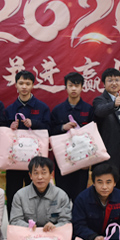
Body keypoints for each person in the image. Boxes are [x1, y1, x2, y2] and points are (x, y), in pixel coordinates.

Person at [4, 70, 51, 215]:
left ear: (32, 85)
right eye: (21, 83)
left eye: (27, 83)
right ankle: (14, 222)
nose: (24, 86)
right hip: (14, 162)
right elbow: (2, 133)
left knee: (36, 193)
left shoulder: (42, 107)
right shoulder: (10, 109)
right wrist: (10, 127)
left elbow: (49, 129)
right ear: (16, 85)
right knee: (13, 192)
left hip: (36, 162)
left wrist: (34, 123)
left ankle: (37, 221)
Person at [72, 164, 120, 240]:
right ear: (94, 183)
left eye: (108, 182)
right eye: (100, 182)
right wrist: (93, 237)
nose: (104, 187)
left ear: (114, 183)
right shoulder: (82, 198)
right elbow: (78, 225)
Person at [49, 72, 93, 201]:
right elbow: (50, 132)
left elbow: (94, 136)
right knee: (62, 196)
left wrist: (89, 161)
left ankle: (78, 215)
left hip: (82, 160)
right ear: (66, 87)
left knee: (80, 196)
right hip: (63, 160)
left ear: (82, 87)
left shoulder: (88, 109)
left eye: (77, 85)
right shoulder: (58, 110)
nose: (74, 89)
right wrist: (63, 127)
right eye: (70, 85)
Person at [92, 68, 120, 189]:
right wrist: (114, 104)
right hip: (110, 155)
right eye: (110, 80)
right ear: (104, 83)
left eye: (117, 80)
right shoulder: (99, 100)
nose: (114, 83)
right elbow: (99, 111)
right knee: (110, 188)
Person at [10, 156, 72, 231]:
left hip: (53, 235)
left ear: (51, 174)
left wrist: (54, 227)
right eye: (36, 173)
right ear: (30, 175)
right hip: (28, 234)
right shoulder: (20, 195)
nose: (40, 177)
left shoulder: (61, 195)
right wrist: (28, 226)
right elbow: (15, 221)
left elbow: (66, 221)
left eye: (44, 173)